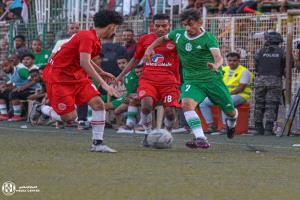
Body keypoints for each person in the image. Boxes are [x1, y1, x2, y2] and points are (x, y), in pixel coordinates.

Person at [30, 10, 123, 153]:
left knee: (98, 104)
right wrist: (104, 84)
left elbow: (86, 59)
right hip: (59, 77)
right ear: (111, 26)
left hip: (77, 76)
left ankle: (97, 143)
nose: (115, 31)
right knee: (69, 118)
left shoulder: (94, 39)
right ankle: (40, 108)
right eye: (115, 27)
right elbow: (85, 63)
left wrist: (101, 72)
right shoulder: (87, 37)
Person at [144, 8, 238, 149]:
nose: (188, 28)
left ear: (199, 23)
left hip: (212, 80)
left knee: (230, 111)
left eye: (191, 24)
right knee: (187, 104)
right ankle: (201, 138)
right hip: (192, 81)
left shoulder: (208, 38)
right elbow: (162, 39)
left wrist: (215, 65)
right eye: (185, 25)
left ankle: (232, 122)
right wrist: (150, 47)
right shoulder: (177, 35)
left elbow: (218, 58)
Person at [116, 13, 181, 147]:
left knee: (169, 112)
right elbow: (135, 59)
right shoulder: (145, 39)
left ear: (169, 26)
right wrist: (121, 75)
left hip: (169, 82)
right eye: (157, 26)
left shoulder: (177, 40)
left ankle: (167, 134)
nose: (161, 29)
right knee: (146, 106)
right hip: (148, 80)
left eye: (164, 26)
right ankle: (148, 133)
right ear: (153, 26)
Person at [200, 52, 253, 133]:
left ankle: (225, 127)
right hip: (224, 94)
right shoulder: (224, 69)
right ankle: (211, 126)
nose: (232, 62)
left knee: (225, 101)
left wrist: (224, 95)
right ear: (227, 61)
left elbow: (240, 89)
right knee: (203, 102)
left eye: (234, 60)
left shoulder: (244, 71)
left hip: (240, 95)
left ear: (239, 61)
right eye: (230, 60)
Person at [253, 31, 285, 136]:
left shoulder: (260, 51)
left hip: (260, 81)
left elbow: (256, 65)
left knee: (259, 104)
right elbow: (287, 66)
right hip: (275, 81)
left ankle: (258, 128)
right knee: (271, 105)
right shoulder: (282, 52)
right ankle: (268, 128)